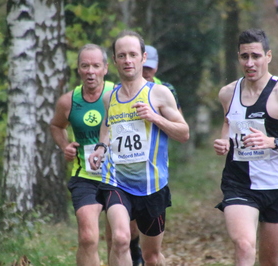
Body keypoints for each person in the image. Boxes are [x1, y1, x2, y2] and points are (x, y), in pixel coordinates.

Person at [213, 29, 278, 266]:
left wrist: (273, 141)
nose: (250, 63)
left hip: (276, 185)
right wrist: (224, 143)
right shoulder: (227, 93)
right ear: (238, 57)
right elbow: (228, 127)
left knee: (269, 262)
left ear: (268, 56)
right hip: (239, 183)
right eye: (244, 56)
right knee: (244, 245)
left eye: (256, 56)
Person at [89, 30, 189, 266]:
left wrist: (155, 118)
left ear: (143, 58)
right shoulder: (109, 98)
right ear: (114, 61)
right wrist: (101, 147)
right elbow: (107, 125)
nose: (127, 60)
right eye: (121, 55)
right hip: (116, 180)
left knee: (151, 257)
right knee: (121, 240)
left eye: (133, 54)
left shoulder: (159, 94)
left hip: (152, 184)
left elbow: (184, 133)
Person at [50, 44, 114, 266]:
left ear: (105, 68)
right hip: (85, 176)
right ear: (78, 69)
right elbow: (56, 126)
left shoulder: (118, 94)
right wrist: (65, 146)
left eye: (96, 66)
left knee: (118, 239)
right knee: (87, 238)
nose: (90, 71)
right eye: (85, 66)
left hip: (119, 177)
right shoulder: (68, 101)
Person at [142, 45, 182, 112]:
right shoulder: (123, 89)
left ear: (156, 67)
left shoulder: (167, 88)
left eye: (150, 68)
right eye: (143, 67)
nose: (146, 72)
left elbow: (179, 120)